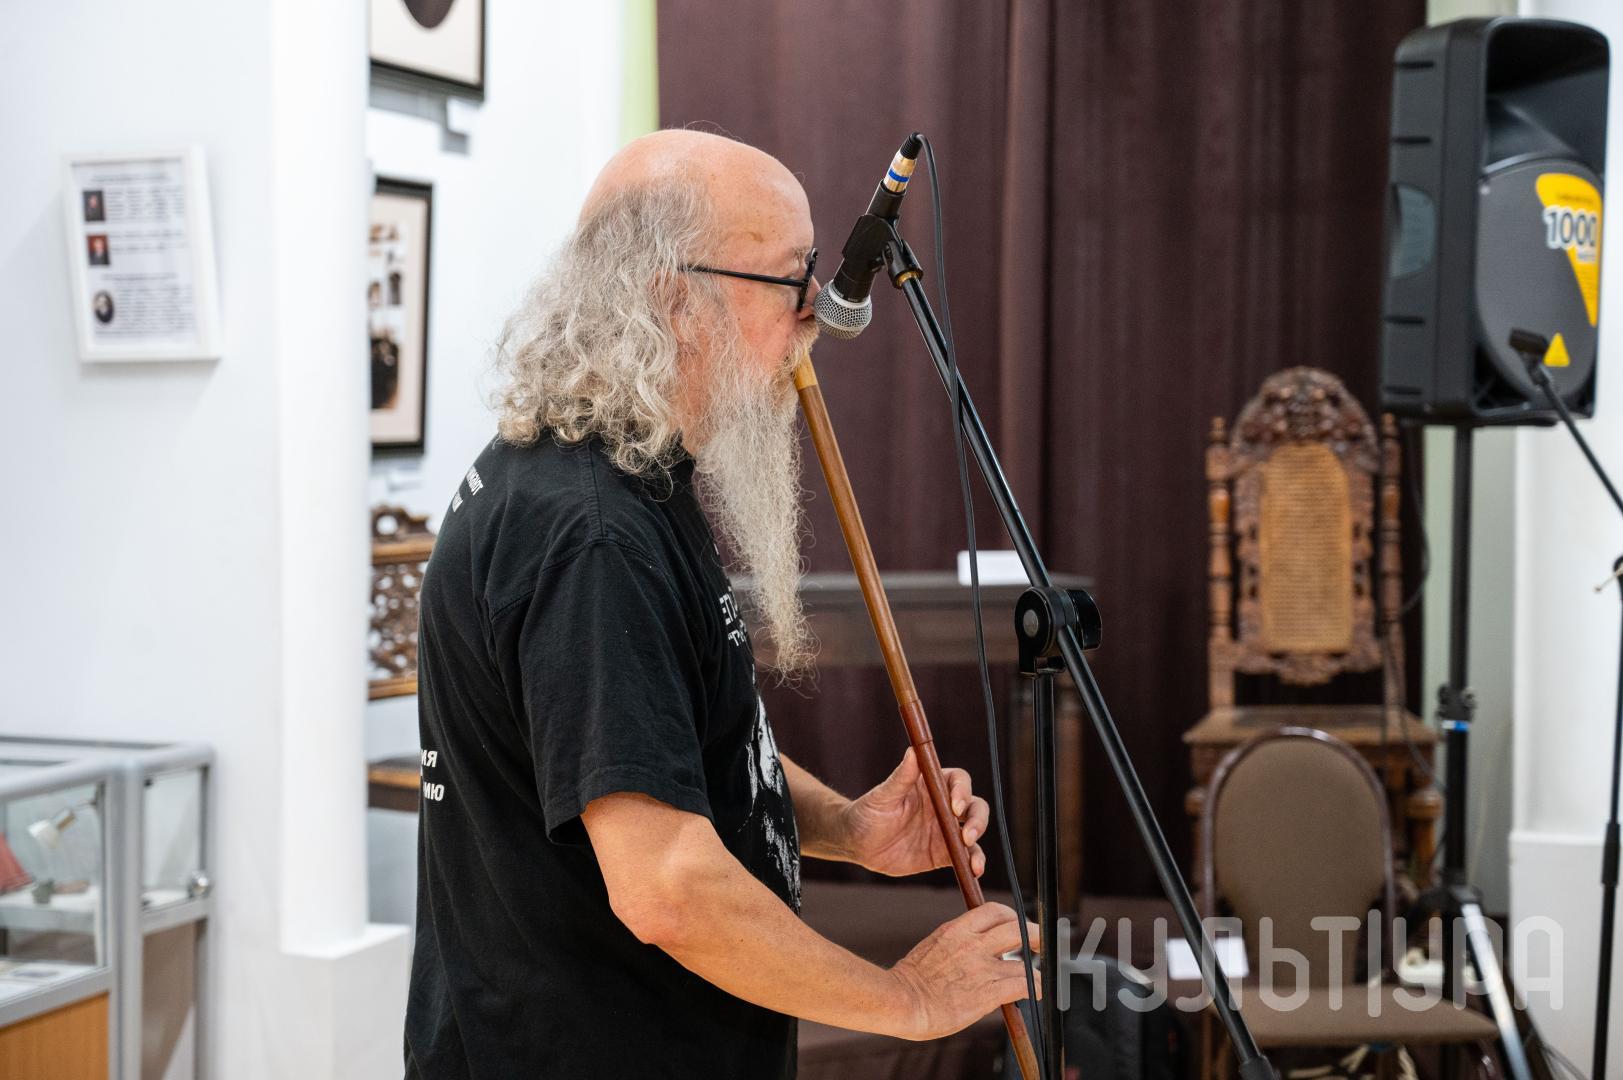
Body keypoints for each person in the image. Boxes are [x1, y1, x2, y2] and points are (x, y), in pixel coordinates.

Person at [404, 129, 1035, 1080]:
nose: (818, 312)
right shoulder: (590, 536)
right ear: (672, 299)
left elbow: (659, 752)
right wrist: (907, 999)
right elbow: (667, 886)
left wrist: (848, 829)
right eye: (792, 279)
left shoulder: (617, 475)